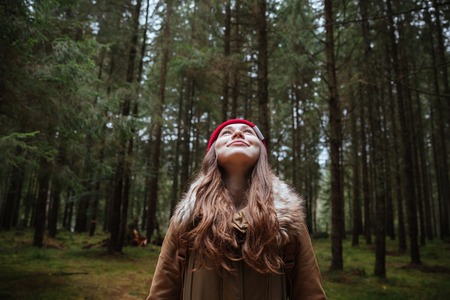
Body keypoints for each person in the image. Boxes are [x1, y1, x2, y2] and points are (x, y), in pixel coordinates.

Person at [147, 119, 326, 300]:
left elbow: (310, 294)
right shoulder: (187, 219)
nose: (238, 133)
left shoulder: (288, 220)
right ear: (213, 152)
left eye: (248, 132)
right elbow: (161, 294)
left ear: (261, 153)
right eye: (226, 133)